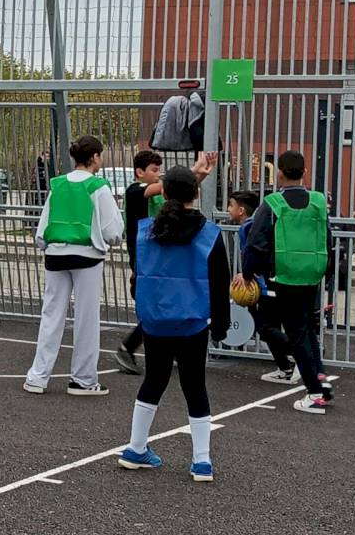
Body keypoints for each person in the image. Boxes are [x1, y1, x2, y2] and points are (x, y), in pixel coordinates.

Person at [116, 166, 230, 483]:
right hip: (193, 321)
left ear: (164, 193)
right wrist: (221, 326)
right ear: (197, 194)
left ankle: (136, 448)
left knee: (153, 381)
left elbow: (135, 195)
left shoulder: (145, 232)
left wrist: (158, 183)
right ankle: (201, 461)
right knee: (195, 387)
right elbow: (219, 285)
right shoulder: (209, 235)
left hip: (155, 320)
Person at [24, 136, 123, 396]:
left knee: (51, 315)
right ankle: (83, 379)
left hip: (55, 253)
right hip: (87, 256)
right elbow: (112, 230)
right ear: (96, 157)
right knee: (86, 318)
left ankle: (38, 376)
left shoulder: (57, 184)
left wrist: (46, 242)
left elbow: (43, 226)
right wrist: (113, 239)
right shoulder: (98, 186)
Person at [240, 150, 336, 414]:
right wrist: (326, 272)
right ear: (304, 172)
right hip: (312, 273)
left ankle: (316, 394)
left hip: (284, 275)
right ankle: (322, 382)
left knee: (297, 335)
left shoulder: (272, 203)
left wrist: (248, 273)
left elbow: (256, 243)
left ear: (279, 173)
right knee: (307, 332)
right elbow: (326, 239)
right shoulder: (318, 201)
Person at [114, 150, 215, 375]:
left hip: (155, 257)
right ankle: (128, 346)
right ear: (139, 172)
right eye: (153, 170)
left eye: (160, 171)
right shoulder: (135, 191)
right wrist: (193, 170)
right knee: (156, 308)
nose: (158, 174)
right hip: (142, 259)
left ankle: (146, 347)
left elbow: (179, 191)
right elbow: (171, 186)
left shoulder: (160, 195)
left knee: (163, 304)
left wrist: (198, 176)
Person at [228, 190, 297, 384]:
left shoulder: (250, 227)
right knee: (269, 326)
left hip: (264, 285)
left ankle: (300, 353)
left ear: (241, 210)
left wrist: (248, 273)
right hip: (263, 283)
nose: (228, 209)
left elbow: (257, 252)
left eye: (231, 205)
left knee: (265, 327)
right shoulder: (254, 225)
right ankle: (285, 368)